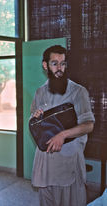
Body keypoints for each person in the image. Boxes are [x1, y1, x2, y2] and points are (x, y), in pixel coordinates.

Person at [30, 45, 95, 206]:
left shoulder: (78, 92)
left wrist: (63, 135)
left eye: (63, 63)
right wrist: (35, 118)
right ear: (45, 65)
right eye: (54, 63)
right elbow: (34, 122)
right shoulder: (40, 92)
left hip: (68, 162)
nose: (60, 68)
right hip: (46, 164)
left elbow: (88, 125)